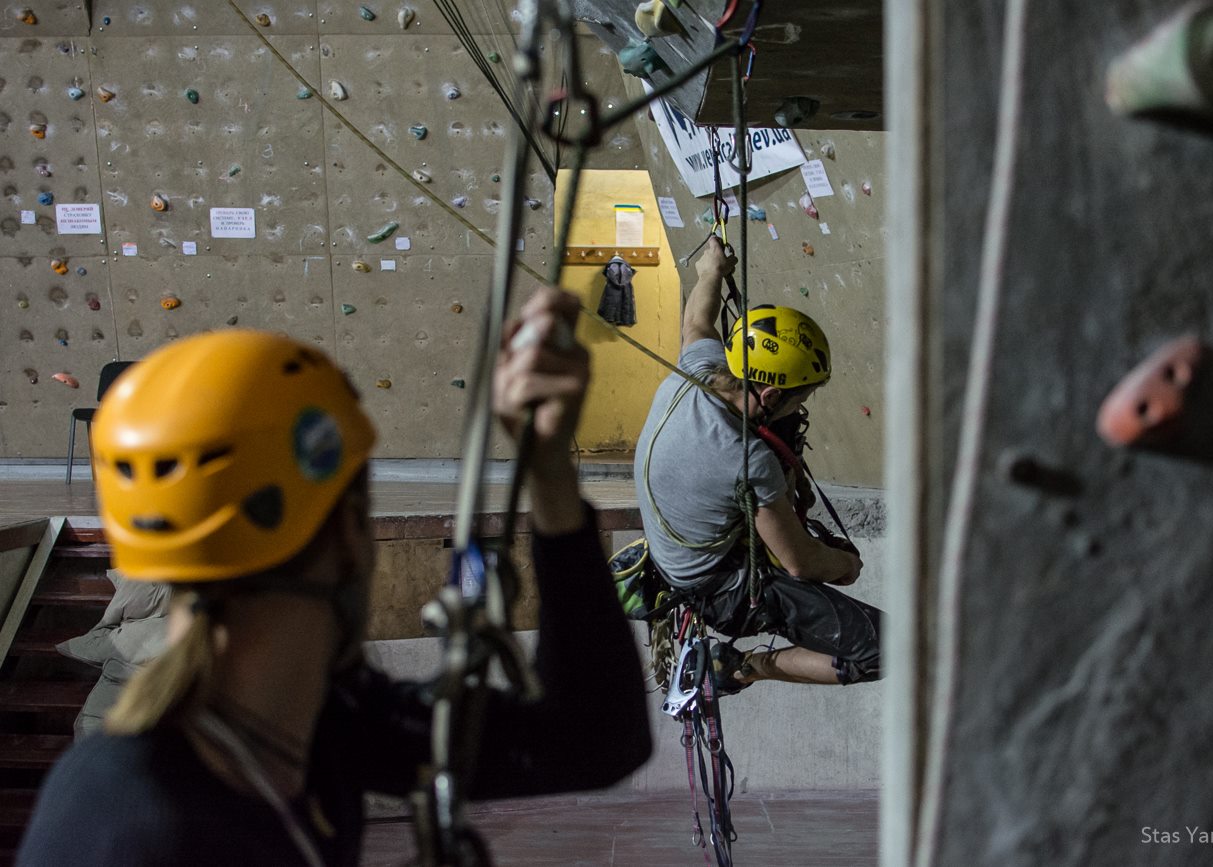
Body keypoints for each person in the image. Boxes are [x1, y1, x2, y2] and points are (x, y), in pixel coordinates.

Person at [18, 288, 652, 866]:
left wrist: (550, 475)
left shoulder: (313, 720)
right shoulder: (134, 827)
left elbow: (591, 740)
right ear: (347, 535)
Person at [634, 236, 882, 691]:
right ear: (769, 394)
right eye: (802, 395)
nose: (803, 403)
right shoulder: (744, 460)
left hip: (677, 548)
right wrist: (844, 564)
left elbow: (697, 321)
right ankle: (744, 667)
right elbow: (800, 563)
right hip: (718, 587)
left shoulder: (698, 370)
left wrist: (710, 269)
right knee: (882, 652)